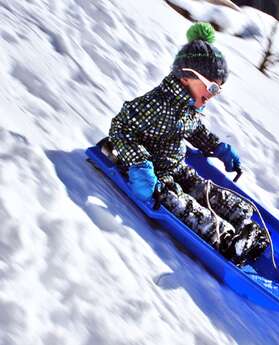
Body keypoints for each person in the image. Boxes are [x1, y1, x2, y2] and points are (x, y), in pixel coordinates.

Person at [109, 22, 268, 266]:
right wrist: (138, 162)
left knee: (206, 191)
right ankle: (228, 241)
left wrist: (217, 148)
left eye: (219, 89)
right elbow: (120, 127)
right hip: (154, 175)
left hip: (176, 165)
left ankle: (244, 224)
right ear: (188, 76)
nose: (215, 93)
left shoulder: (188, 107)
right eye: (213, 86)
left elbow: (194, 130)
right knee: (182, 205)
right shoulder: (157, 103)